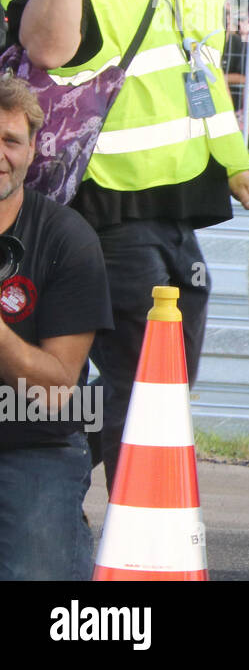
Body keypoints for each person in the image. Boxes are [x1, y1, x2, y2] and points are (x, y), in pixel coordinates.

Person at [0, 0, 249, 489]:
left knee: (165, 378)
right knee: (140, 381)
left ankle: (57, 502)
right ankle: (123, 528)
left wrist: (238, 167)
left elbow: (205, 74)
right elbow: (47, 49)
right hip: (103, 209)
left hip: (182, 212)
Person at [0, 76, 113, 580]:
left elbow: (54, 387)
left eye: (10, 140)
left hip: (33, 442)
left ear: (30, 153)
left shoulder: (68, 239)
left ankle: (63, 519)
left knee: (34, 571)